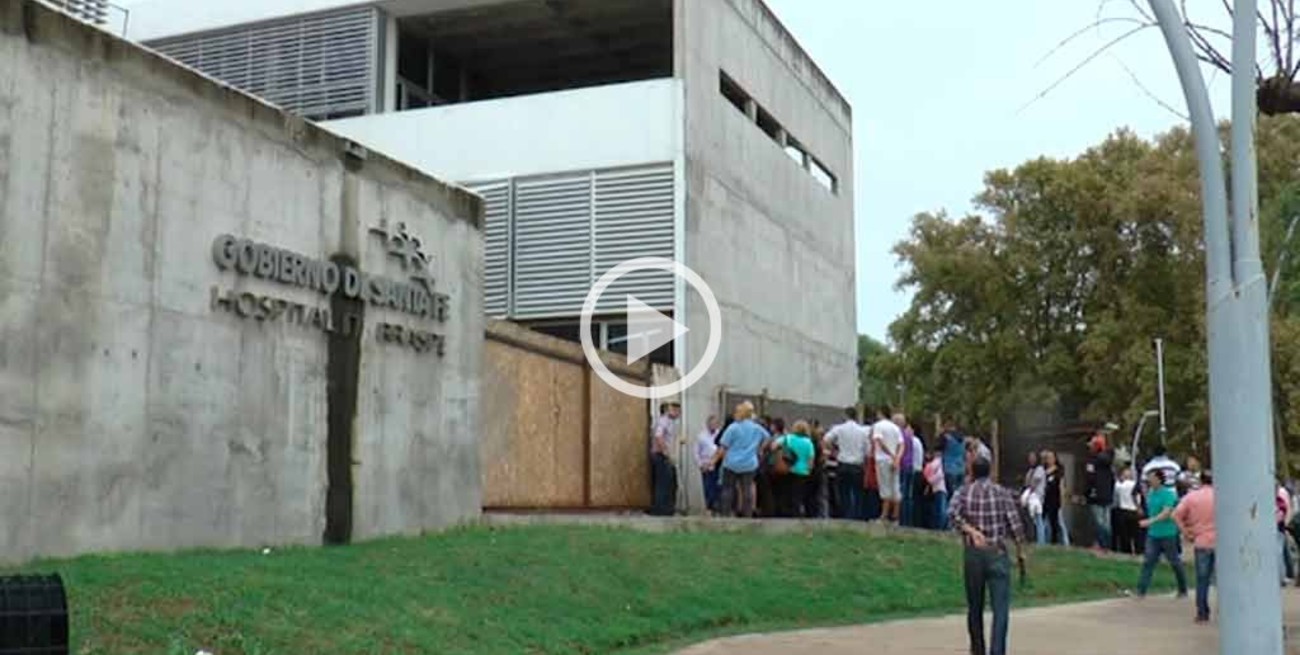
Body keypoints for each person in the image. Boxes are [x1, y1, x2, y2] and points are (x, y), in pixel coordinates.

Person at [949, 457, 1026, 655]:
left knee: (975, 607)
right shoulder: (1001, 493)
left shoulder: (964, 492)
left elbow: (951, 514)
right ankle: (997, 651)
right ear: (990, 472)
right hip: (997, 551)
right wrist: (1020, 551)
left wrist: (970, 530)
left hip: (974, 553)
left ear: (972, 472)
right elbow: (1015, 523)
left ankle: (978, 650)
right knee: (1000, 609)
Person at [709, 402, 770, 518]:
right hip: (749, 463)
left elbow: (723, 447)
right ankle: (747, 514)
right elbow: (767, 437)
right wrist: (759, 449)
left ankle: (725, 514)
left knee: (728, 489)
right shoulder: (757, 428)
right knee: (747, 489)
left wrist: (713, 460)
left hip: (731, 463)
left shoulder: (733, 427)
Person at [1136, 469, 1189, 599]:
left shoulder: (1168, 494)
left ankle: (1183, 589)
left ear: (1159, 479)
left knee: (1174, 561)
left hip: (1168, 533)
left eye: (1152, 478)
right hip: (1153, 534)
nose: (1149, 481)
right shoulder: (1150, 493)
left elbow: (1167, 513)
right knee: (1148, 561)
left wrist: (1150, 521)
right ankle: (1141, 591)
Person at [1173, 470, 1216, 623]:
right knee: (1223, 580)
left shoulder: (1191, 497)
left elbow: (1176, 514)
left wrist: (1186, 532)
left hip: (1201, 541)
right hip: (1221, 543)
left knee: (1202, 579)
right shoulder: (1222, 495)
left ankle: (1202, 612)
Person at [824, 406, 870, 521]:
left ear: (845, 415)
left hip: (843, 463)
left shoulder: (839, 428)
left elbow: (826, 440)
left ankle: (845, 515)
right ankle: (856, 516)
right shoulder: (863, 431)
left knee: (843, 492)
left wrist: (834, 451)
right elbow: (867, 451)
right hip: (857, 465)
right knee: (857, 492)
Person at [770, 421, 816, 517]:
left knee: (785, 493)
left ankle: (783, 513)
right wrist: (809, 470)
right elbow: (811, 459)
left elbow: (773, 446)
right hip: (802, 472)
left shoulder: (787, 438)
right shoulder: (809, 443)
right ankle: (795, 514)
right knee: (797, 495)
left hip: (787, 469)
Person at [872, 409, 905, 523]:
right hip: (894, 460)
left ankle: (884, 516)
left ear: (880, 414)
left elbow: (879, 441)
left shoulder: (878, 426)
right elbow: (901, 444)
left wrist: (890, 454)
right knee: (895, 487)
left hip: (882, 459)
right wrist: (897, 457)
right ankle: (896, 517)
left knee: (885, 487)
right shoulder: (896, 428)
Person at [1084, 433, 1116, 550]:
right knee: (1106, 522)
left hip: (1095, 495)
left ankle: (1101, 544)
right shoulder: (1109, 462)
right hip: (1107, 495)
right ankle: (1107, 545)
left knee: (1099, 522)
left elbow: (1090, 478)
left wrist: (1087, 493)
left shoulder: (1092, 462)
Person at [649, 402, 681, 516]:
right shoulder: (664, 421)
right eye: (676, 411)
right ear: (670, 410)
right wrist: (666, 452)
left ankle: (668, 508)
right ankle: (660, 509)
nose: (678, 414)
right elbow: (659, 436)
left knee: (670, 484)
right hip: (661, 456)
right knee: (663, 484)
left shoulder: (671, 423)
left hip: (666, 456)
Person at [694, 416, 721, 514]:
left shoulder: (721, 435)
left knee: (718, 487)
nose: (713, 425)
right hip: (706, 465)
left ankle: (717, 508)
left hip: (719, 465)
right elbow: (696, 452)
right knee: (708, 488)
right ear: (708, 424)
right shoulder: (701, 436)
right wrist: (700, 465)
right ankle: (709, 508)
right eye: (711, 423)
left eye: (715, 423)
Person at [1042, 450, 1070, 546]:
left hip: (1055, 499)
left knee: (1058, 522)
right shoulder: (1043, 470)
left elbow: (1061, 485)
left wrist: (1062, 500)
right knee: (1044, 522)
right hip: (1045, 499)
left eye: (1051, 457)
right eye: (1047, 458)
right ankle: (1045, 541)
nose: (1049, 459)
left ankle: (1065, 542)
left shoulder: (1059, 470)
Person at [1113, 466, 1141, 555]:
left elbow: (1116, 497)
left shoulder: (1119, 485)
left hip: (1123, 510)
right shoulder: (1135, 484)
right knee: (1135, 534)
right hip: (1133, 511)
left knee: (1124, 535)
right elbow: (1138, 498)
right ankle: (1136, 551)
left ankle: (1125, 551)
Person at [1022, 452, 1047, 544]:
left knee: (1038, 519)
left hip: (1037, 497)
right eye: (1029, 458)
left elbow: (1034, 483)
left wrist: (1027, 493)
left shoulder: (1039, 469)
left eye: (1033, 458)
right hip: (1030, 497)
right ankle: (1032, 539)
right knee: (1033, 520)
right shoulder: (1030, 471)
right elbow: (1026, 483)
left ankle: (1041, 541)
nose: (1031, 460)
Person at [923, 447, 948, 530]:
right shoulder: (938, 462)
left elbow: (940, 475)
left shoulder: (937, 462)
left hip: (939, 488)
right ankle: (940, 526)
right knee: (939, 509)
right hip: (938, 488)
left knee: (941, 509)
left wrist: (930, 480)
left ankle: (940, 526)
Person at [941, 421, 967, 499]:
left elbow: (939, 450)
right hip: (961, 468)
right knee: (960, 493)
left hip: (949, 468)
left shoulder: (946, 438)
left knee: (950, 495)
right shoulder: (962, 439)